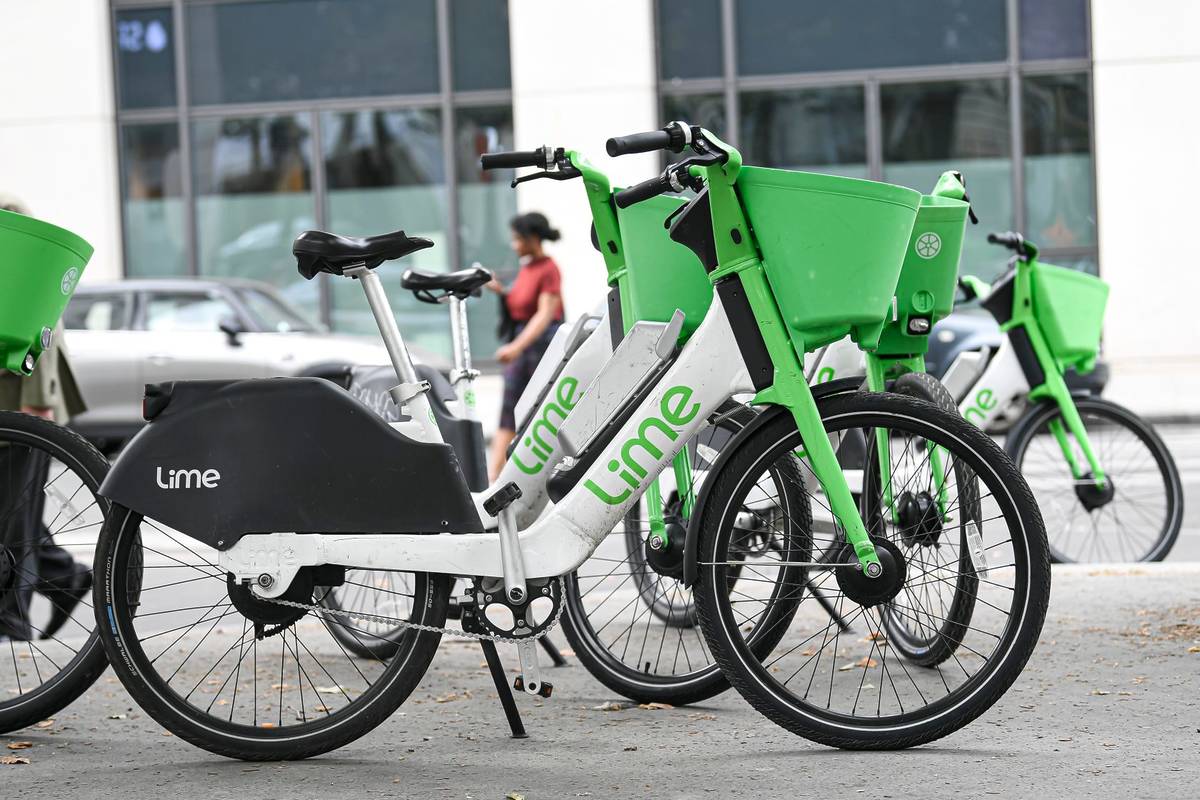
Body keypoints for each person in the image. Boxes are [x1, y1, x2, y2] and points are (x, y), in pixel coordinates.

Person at [0, 195, 92, 642]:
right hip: (14, 412)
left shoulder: (28, 270)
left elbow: (45, 340)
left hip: (22, 413)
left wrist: (38, 411)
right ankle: (66, 578)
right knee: (15, 513)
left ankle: (11, 618)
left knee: (14, 522)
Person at [486, 212, 564, 479]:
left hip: (537, 348)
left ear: (532, 239)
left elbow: (544, 315)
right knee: (510, 411)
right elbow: (522, 304)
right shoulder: (528, 267)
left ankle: (501, 475)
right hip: (524, 346)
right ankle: (495, 476)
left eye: (518, 239)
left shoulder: (549, 269)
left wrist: (516, 347)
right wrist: (501, 291)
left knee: (532, 410)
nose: (514, 245)